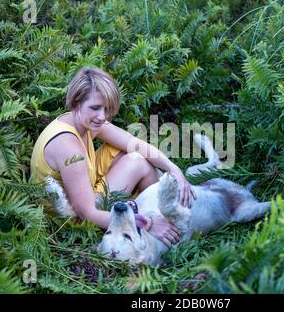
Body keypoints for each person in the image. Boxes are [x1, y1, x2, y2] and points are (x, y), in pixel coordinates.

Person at [30, 67, 196, 247]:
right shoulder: (69, 148)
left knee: (133, 153)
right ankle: (157, 224)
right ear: (76, 102)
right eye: (95, 108)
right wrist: (148, 224)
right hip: (70, 217)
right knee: (139, 163)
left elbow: (135, 143)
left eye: (107, 109)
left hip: (85, 188)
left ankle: (161, 214)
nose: (102, 116)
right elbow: (87, 214)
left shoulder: (82, 120)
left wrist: (173, 168)